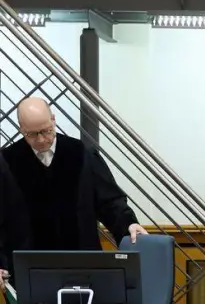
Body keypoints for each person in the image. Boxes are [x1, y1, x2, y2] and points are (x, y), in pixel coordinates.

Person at [0, 97, 148, 280]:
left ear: (53, 119)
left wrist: (128, 223)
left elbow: (109, 201)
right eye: (32, 134)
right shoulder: (7, 161)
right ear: (21, 129)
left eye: (46, 131)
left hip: (82, 261)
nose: (41, 139)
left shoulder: (81, 153)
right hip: (28, 267)